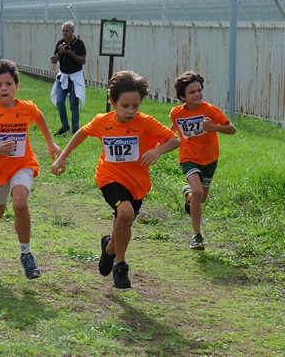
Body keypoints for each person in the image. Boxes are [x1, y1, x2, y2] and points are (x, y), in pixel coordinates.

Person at [51, 71, 180, 288]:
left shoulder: (146, 123)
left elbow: (173, 140)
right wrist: (62, 158)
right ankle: (120, 266)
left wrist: (158, 151)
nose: (130, 111)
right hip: (109, 178)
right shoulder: (103, 122)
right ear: (112, 102)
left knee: (124, 221)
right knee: (125, 212)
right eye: (125, 106)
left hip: (136, 183)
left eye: (135, 106)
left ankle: (110, 248)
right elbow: (81, 133)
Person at [0, 59, 61, 279]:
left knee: (20, 204)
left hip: (23, 165)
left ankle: (26, 254)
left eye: (9, 84)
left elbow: (39, 117)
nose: (4, 88)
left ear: (16, 86)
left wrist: (50, 142)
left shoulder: (27, 108)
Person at [169, 71, 236, 250]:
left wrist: (212, 127)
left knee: (200, 197)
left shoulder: (210, 110)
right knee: (199, 192)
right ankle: (197, 235)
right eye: (192, 92)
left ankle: (187, 195)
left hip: (209, 158)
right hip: (188, 157)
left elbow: (232, 129)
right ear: (183, 96)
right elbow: (172, 130)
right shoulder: (176, 113)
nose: (197, 94)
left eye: (199, 90)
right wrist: (159, 145)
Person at [50, 21, 87, 136]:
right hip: (63, 77)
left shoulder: (79, 43)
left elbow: (83, 61)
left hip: (75, 77)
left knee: (73, 104)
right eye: (63, 31)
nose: (64, 33)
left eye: (67, 30)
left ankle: (75, 129)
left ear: (72, 31)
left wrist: (70, 53)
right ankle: (65, 126)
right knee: (60, 101)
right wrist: (60, 53)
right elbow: (53, 60)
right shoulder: (60, 43)